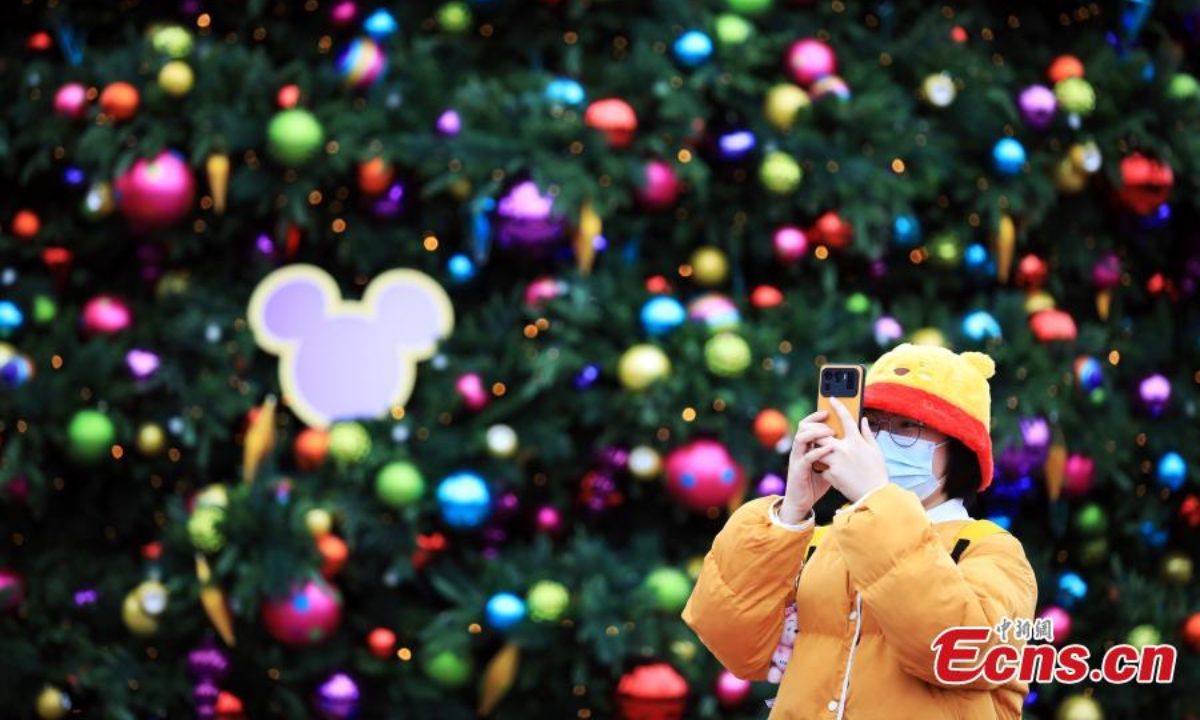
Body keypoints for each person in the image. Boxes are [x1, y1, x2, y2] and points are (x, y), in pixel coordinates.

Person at [682, 343, 1038, 719]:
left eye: (906, 427)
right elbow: (737, 647)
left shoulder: (988, 549)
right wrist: (792, 511)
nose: (880, 443)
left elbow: (961, 654)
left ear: (961, 448)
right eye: (873, 423)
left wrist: (875, 498)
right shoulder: (816, 543)